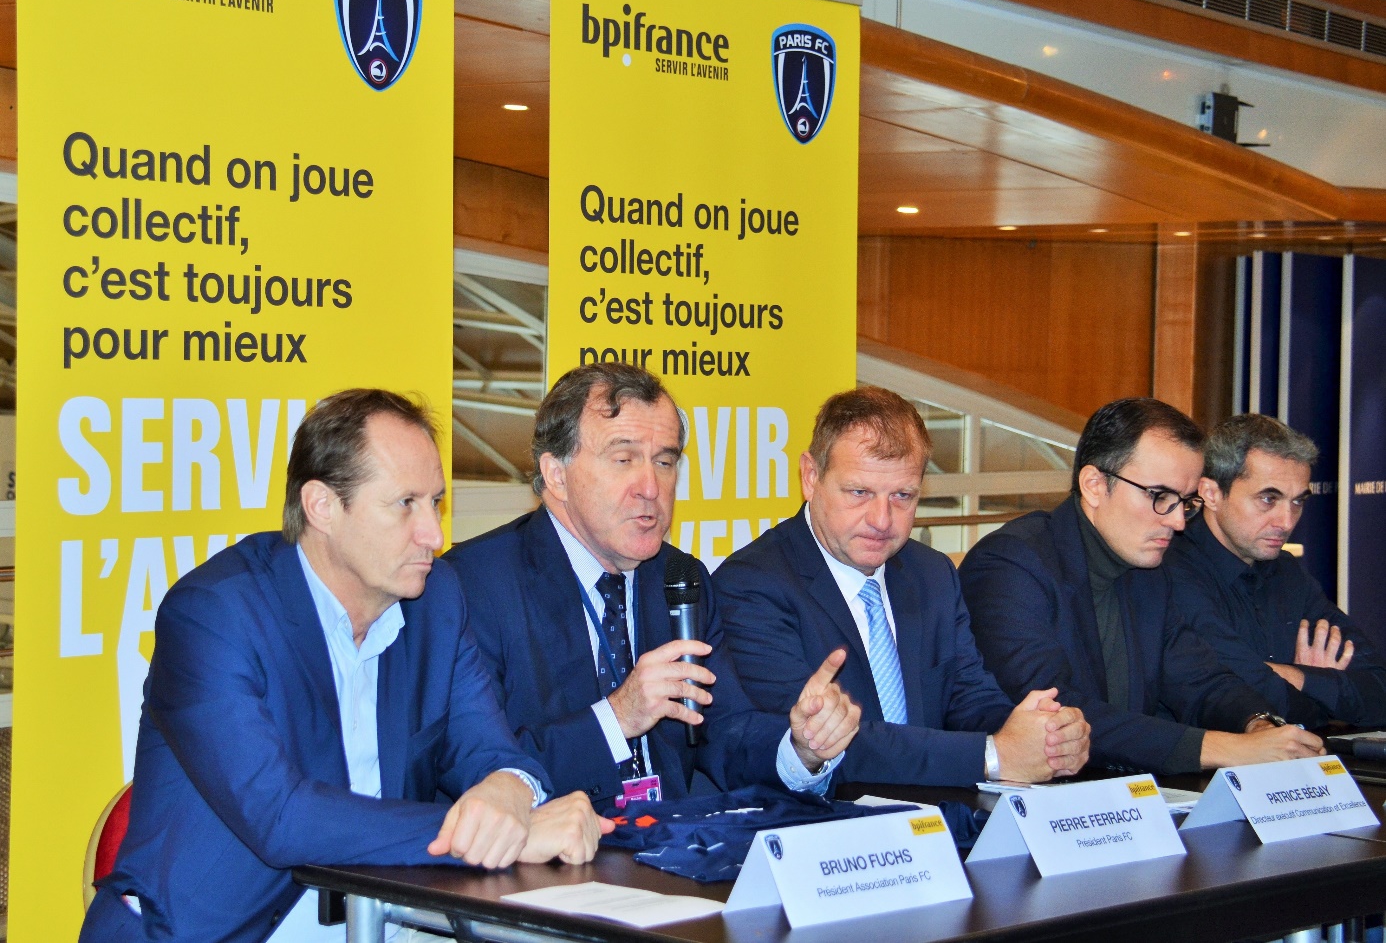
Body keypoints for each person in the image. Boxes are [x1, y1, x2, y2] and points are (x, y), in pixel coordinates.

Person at [81, 390, 607, 943]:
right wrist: (487, 836)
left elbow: (492, 751)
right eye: (404, 504)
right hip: (222, 930)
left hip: (389, 918)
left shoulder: (436, 600)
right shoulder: (215, 615)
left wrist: (511, 791)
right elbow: (281, 818)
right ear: (322, 507)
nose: (434, 535)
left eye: (435, 502)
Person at [445, 364, 861, 807]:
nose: (650, 487)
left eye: (664, 462)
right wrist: (616, 718)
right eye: (623, 459)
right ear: (556, 475)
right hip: (548, 842)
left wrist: (801, 748)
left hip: (668, 839)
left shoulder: (680, 578)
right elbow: (476, 770)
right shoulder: (473, 585)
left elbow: (725, 731)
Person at [714, 386, 1090, 788]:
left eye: (902, 496)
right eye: (859, 492)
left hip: (937, 814)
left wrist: (1042, 736)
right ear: (811, 476)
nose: (882, 519)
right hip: (826, 816)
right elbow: (823, 745)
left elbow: (969, 700)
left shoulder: (932, 573)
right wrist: (994, 756)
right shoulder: (752, 584)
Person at [959, 397, 1326, 774]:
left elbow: (1199, 678)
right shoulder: (1010, 564)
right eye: (1160, 497)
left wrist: (1257, 725)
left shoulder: (1149, 570)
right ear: (1094, 485)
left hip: (1123, 792)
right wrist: (1227, 748)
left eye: (1186, 502)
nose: (1178, 522)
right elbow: (1058, 713)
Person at [1166, 413, 1386, 728]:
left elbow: (1380, 688)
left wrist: (1297, 676)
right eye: (1269, 499)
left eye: (1297, 502)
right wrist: (1324, 692)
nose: (1286, 522)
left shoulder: (1288, 573)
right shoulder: (1171, 569)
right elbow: (1235, 692)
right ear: (1211, 494)